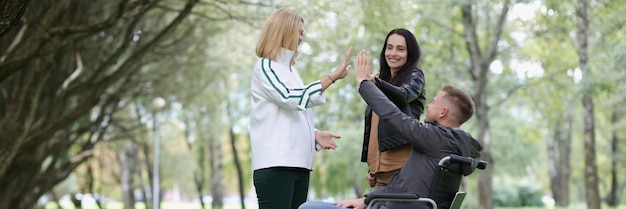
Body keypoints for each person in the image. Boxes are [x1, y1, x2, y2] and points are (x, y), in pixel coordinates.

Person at [298, 50, 483, 209]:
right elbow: (406, 188)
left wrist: (364, 82)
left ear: (443, 112)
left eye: (433, 103)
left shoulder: (436, 138)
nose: (428, 106)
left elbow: (393, 116)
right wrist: (365, 199)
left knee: (308, 207)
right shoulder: (452, 146)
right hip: (386, 203)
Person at [249, 8, 353, 209]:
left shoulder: (292, 71)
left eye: (302, 33)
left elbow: (289, 114)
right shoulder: (265, 66)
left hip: (299, 165)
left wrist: (313, 134)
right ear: (283, 31)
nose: (301, 38)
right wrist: (331, 78)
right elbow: (291, 98)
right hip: (275, 166)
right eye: (298, 32)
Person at [361, 28, 426, 189]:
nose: (393, 53)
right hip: (381, 173)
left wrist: (376, 84)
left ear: (410, 53)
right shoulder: (383, 81)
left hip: (402, 170)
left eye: (400, 49)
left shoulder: (415, 75)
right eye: (389, 47)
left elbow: (404, 95)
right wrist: (372, 166)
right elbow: (375, 128)